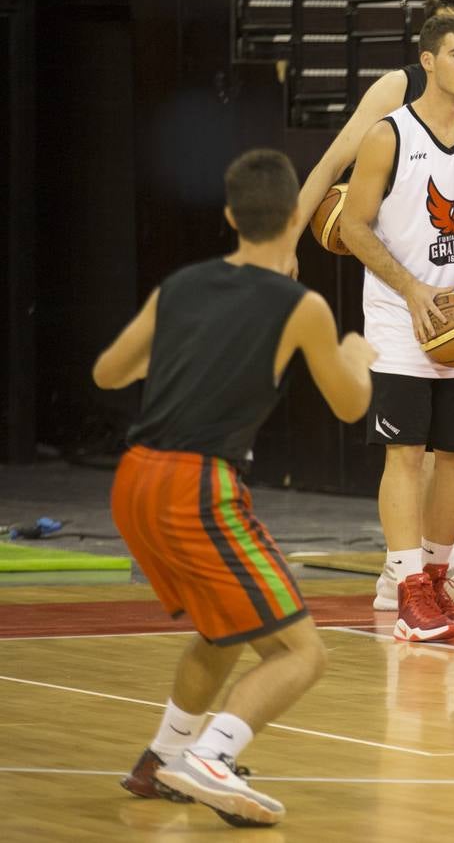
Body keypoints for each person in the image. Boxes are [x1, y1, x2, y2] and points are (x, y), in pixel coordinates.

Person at [99, 149, 377, 826]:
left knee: (223, 632)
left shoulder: (182, 286)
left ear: (229, 216)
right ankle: (210, 757)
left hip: (133, 479)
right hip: (196, 485)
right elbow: (349, 405)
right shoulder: (302, 305)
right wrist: (355, 354)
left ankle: (164, 757)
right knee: (301, 652)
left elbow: (109, 373)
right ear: (293, 215)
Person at [297, 0, 454, 612]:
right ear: (429, 50)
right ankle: (406, 574)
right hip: (400, 308)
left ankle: (440, 569)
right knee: (406, 450)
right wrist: (284, 238)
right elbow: (340, 184)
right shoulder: (392, 110)